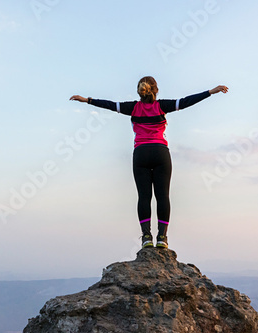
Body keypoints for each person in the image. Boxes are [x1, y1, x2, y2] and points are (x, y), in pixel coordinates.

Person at [70, 76, 228, 249]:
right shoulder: (162, 106)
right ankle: (162, 238)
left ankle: (146, 237)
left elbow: (108, 104)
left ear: (140, 91)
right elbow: (186, 102)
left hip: (141, 154)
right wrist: (210, 92)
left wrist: (87, 100)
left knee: (144, 197)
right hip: (160, 153)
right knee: (163, 196)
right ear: (156, 90)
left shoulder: (132, 108)